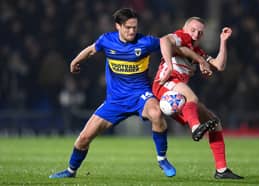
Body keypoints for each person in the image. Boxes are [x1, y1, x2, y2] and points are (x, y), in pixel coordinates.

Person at [49, 8, 177, 178]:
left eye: (135, 27)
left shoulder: (145, 42)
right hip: (115, 101)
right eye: (128, 27)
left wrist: (172, 63)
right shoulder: (107, 40)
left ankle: (162, 159)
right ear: (118, 26)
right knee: (84, 138)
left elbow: (166, 42)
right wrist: (75, 61)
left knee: (157, 113)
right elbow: (91, 49)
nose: (132, 31)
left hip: (140, 96)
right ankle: (71, 171)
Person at [152, 17, 244, 179]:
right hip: (165, 83)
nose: (196, 34)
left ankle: (221, 170)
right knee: (191, 97)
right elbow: (164, 40)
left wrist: (223, 41)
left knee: (214, 122)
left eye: (200, 32)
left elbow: (219, 65)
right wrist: (170, 65)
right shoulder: (181, 37)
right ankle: (195, 128)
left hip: (178, 90)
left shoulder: (198, 51)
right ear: (184, 28)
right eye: (193, 30)